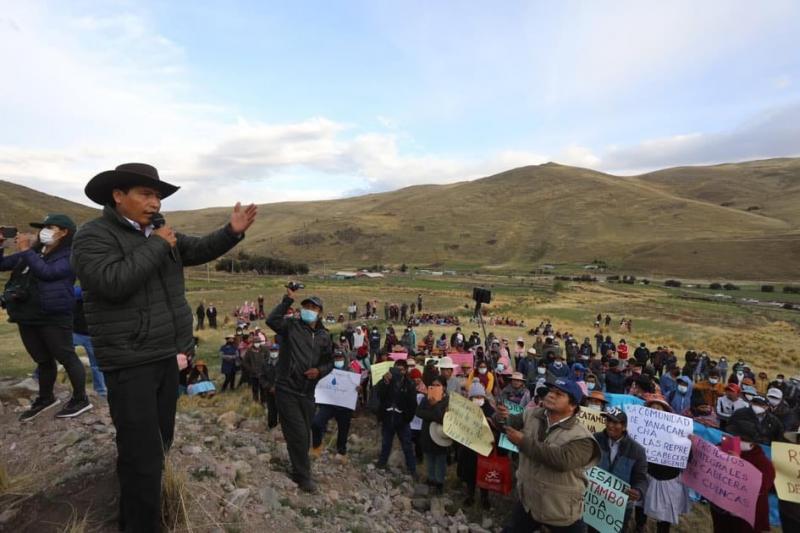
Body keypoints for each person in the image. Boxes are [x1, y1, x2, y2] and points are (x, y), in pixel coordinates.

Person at [71, 163, 256, 531]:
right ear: (118, 195)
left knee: (158, 442)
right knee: (141, 454)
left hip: (166, 356)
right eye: (146, 193)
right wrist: (156, 245)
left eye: (158, 195)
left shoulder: (161, 233)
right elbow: (112, 283)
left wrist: (231, 232)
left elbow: (199, 248)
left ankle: (145, 498)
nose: (154, 202)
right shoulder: (94, 235)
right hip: (129, 359)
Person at [1, 214, 91, 421]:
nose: (44, 231)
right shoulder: (35, 251)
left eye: (49, 227)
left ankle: (80, 398)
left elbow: (47, 273)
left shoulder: (71, 254)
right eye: (43, 227)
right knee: (42, 360)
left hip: (54, 315)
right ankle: (45, 398)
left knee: (66, 356)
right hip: (27, 315)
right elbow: (2, 264)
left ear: (64, 232)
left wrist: (25, 250)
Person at [497, 378, 600, 533]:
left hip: (560, 509)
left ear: (572, 406)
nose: (551, 395)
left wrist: (523, 441)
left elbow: (562, 461)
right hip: (529, 503)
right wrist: (501, 417)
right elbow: (508, 424)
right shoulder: (531, 414)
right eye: (551, 391)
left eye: (558, 394)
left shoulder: (582, 438)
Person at [265, 287, 334, 493]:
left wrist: (319, 370)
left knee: (304, 434)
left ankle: (298, 466)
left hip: (308, 393)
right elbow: (271, 321)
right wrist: (287, 300)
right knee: (298, 435)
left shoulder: (324, 336)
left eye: (312, 307)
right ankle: (303, 477)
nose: (308, 310)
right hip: (287, 389)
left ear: (320, 312)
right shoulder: (291, 326)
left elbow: (329, 362)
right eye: (305, 306)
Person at [710, 408, 775, 533]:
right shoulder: (723, 449)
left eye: (741, 438)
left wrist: (740, 466)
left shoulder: (763, 463)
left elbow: (762, 487)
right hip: (722, 514)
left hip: (746, 520)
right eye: (734, 435)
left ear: (752, 442)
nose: (735, 440)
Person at [634, 394, 690, 533]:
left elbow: (687, 457)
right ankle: (640, 527)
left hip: (668, 478)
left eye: (659, 408)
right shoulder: (640, 431)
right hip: (647, 474)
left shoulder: (678, 433)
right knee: (640, 504)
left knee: (665, 513)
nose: (656, 411)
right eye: (652, 408)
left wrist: (687, 443)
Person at [591, 407, 648, 533]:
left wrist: (638, 491)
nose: (610, 425)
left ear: (624, 426)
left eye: (615, 422)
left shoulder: (637, 450)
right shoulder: (595, 439)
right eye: (608, 421)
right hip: (593, 501)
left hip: (620, 506)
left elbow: (641, 478)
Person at [311, 349, 358, 462]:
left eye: (340, 358)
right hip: (328, 403)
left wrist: (358, 388)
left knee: (343, 429)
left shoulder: (350, 371)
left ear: (344, 359)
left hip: (344, 405)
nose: (338, 360)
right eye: (336, 358)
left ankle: (341, 452)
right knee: (316, 423)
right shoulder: (327, 371)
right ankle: (317, 446)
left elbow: (356, 385)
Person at [374, 358, 417, 476]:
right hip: (388, 418)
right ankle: (382, 463)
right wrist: (385, 381)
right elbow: (379, 394)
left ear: (406, 370)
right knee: (386, 443)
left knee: (407, 445)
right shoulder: (388, 380)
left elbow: (413, 404)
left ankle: (412, 469)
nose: (399, 372)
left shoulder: (410, 384)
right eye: (397, 369)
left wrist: (406, 418)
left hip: (402, 420)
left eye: (402, 370)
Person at [457, 380, 494, 509]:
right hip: (469, 447)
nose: (478, 399)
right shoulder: (465, 408)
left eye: (480, 397)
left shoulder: (489, 409)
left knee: (484, 471)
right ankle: (470, 495)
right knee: (470, 472)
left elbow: (496, 427)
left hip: (484, 447)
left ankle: (485, 497)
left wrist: (490, 421)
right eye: (475, 397)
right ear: (470, 398)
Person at [416, 376, 451, 494]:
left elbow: (443, 419)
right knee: (429, 457)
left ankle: (439, 482)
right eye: (433, 385)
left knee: (440, 460)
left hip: (441, 436)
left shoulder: (447, 401)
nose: (435, 388)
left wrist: (435, 406)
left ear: (444, 387)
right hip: (427, 433)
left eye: (438, 385)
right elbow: (419, 412)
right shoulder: (427, 398)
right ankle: (431, 478)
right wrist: (433, 416)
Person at [73, 285, 106, 398]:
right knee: (58, 353)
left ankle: (101, 392)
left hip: (91, 334)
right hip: (76, 331)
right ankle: (37, 378)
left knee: (97, 365)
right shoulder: (79, 291)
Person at [258, 345, 279, 429]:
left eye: (275, 350)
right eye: (272, 350)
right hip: (269, 390)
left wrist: (276, 387)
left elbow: (285, 377)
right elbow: (261, 376)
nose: (274, 352)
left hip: (281, 391)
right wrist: (268, 387)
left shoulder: (283, 363)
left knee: (282, 410)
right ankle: (271, 426)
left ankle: (282, 428)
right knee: (271, 409)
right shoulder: (265, 363)